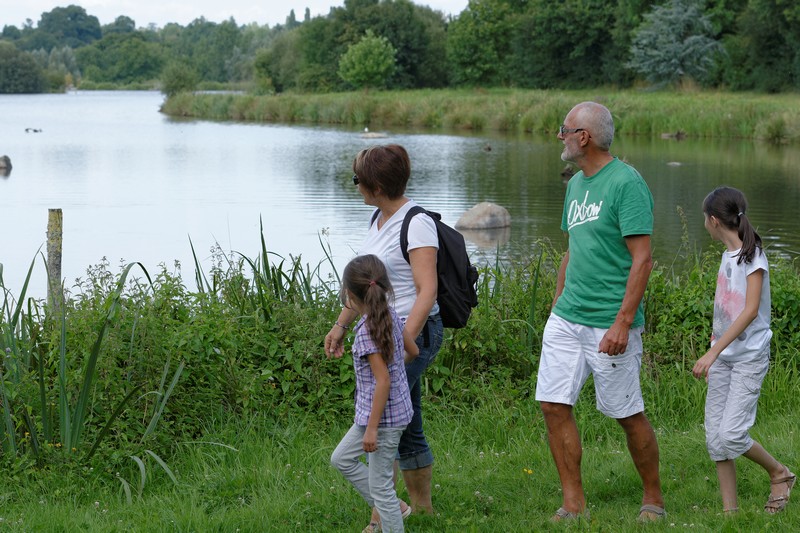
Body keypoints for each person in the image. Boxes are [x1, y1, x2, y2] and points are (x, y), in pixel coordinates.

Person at [535, 101, 665, 522]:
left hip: (609, 322)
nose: (560, 136)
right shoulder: (575, 184)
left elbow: (642, 259)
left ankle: (653, 499)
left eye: (564, 129)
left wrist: (623, 322)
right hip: (567, 318)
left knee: (626, 414)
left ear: (583, 137)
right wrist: (558, 301)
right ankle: (573, 504)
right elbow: (573, 249)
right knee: (553, 406)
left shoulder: (627, 184)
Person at [325, 144, 443, 530]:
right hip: (387, 332)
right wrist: (341, 325)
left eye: (358, 180)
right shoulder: (378, 218)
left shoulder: (417, 222)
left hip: (412, 333)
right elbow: (368, 286)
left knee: (388, 419)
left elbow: (427, 291)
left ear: (375, 184)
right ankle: (417, 509)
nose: (355, 186)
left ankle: (382, 518)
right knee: (407, 418)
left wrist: (395, 344)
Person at [692, 187, 795, 514]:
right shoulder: (727, 257)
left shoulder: (755, 258)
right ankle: (730, 514)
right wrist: (715, 354)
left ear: (713, 221)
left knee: (733, 434)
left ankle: (780, 473)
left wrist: (711, 354)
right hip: (723, 360)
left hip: (747, 359)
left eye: (703, 220)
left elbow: (750, 311)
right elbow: (724, 312)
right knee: (716, 439)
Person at [330, 254, 416, 533]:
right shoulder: (389, 314)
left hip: (382, 421)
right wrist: (395, 368)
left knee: (381, 487)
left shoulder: (367, 332)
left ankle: (390, 510)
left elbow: (383, 382)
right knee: (341, 459)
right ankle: (396, 507)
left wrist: (372, 431)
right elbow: (412, 351)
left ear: (348, 294)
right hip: (377, 415)